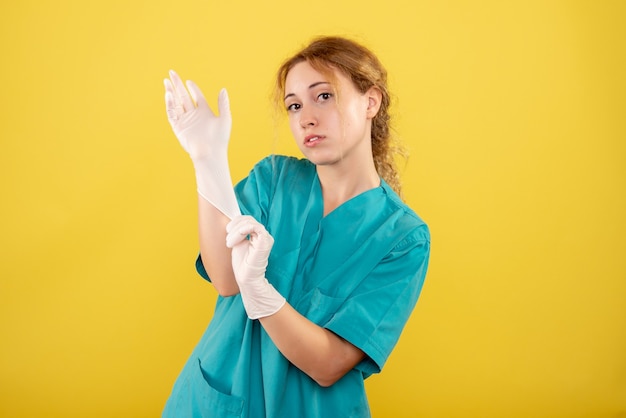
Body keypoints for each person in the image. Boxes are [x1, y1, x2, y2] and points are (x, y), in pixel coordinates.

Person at [161, 35, 430, 418]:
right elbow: (224, 279)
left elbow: (329, 364)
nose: (306, 118)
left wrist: (261, 292)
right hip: (214, 402)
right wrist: (207, 161)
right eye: (294, 105)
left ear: (370, 101)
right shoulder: (274, 179)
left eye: (324, 96)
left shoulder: (403, 238)